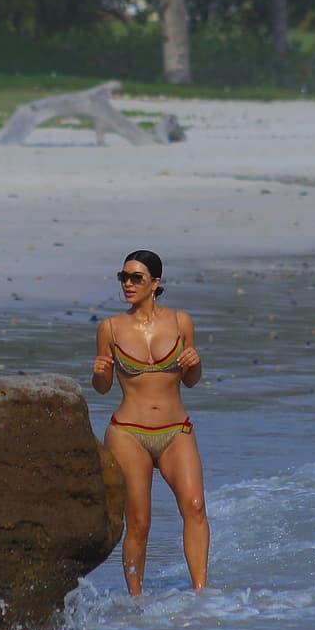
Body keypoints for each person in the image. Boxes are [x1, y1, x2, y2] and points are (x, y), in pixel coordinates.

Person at [91, 250, 209, 594]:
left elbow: (191, 380)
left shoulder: (180, 322)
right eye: (123, 277)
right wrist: (98, 373)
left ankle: (202, 594)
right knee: (139, 523)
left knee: (196, 507)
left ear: (155, 283)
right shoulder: (110, 327)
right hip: (128, 433)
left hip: (177, 431)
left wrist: (195, 362)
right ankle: (136, 601)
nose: (128, 284)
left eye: (136, 278)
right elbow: (103, 388)